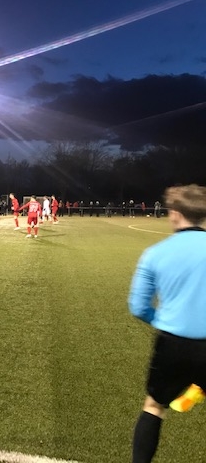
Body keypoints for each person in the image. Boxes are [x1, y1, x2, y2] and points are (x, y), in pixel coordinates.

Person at [129, 184, 206, 463]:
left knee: (154, 406)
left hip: (173, 343)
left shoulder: (155, 253)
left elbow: (138, 307)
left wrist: (165, 320)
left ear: (174, 214)